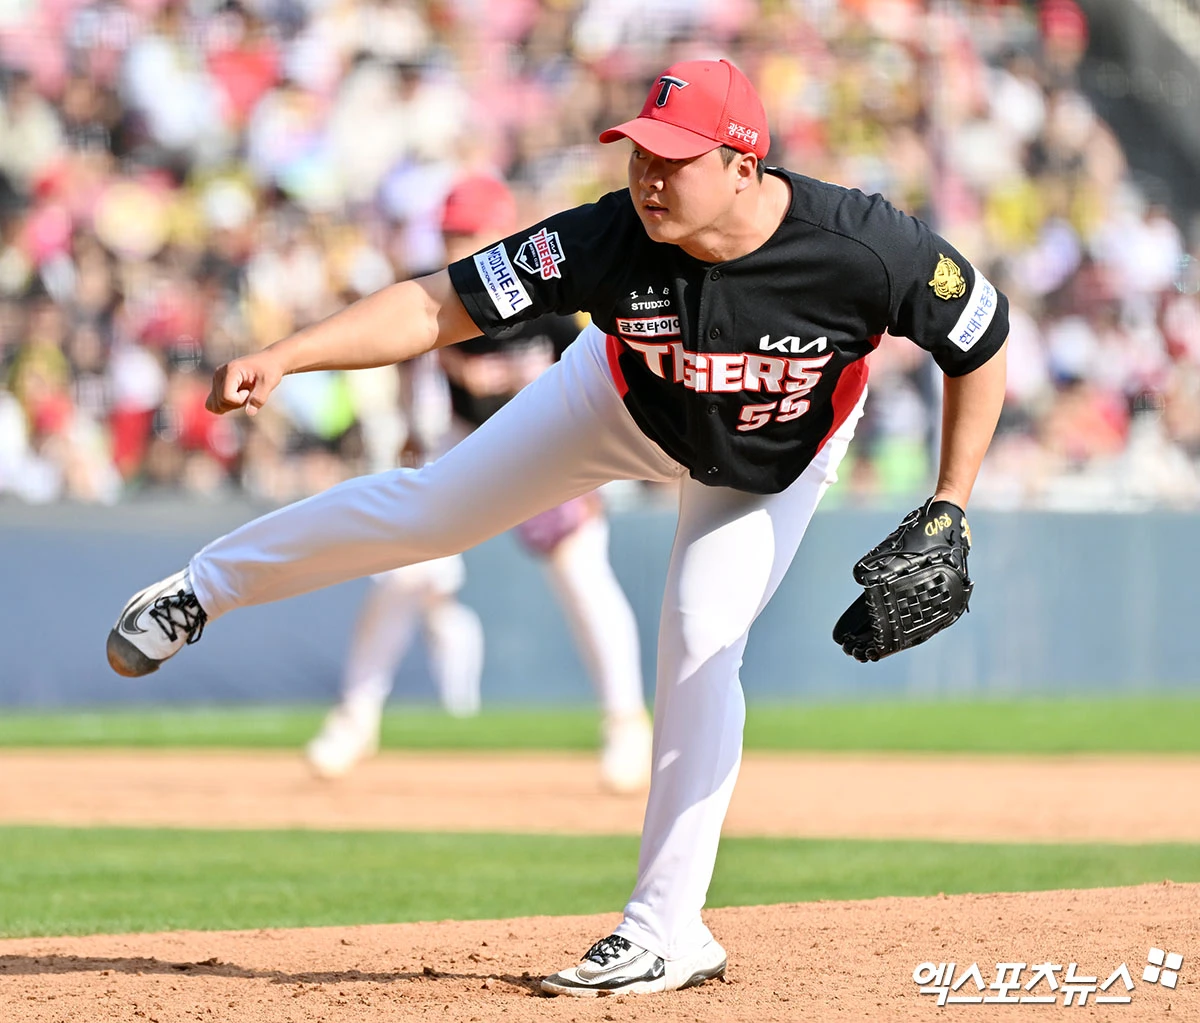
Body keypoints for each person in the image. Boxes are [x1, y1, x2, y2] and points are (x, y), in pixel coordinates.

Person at [107, 59, 1008, 997]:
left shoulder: (862, 244)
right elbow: (435, 304)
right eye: (640, 155)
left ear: (743, 166)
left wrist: (951, 501)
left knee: (702, 638)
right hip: (615, 404)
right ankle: (201, 589)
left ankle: (666, 930)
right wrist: (290, 354)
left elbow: (981, 337)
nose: (649, 177)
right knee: (431, 508)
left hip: (770, 461)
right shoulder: (607, 237)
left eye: (675, 159)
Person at [305, 174, 653, 792]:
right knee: (402, 573)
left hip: (548, 446)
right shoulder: (435, 289)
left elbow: (599, 375)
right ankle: (355, 718)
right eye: (449, 233)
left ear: (503, 232)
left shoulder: (554, 288)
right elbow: (408, 364)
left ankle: (627, 724)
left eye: (468, 232)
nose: (455, 244)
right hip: (467, 439)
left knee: (582, 576)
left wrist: (591, 467)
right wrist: (413, 437)